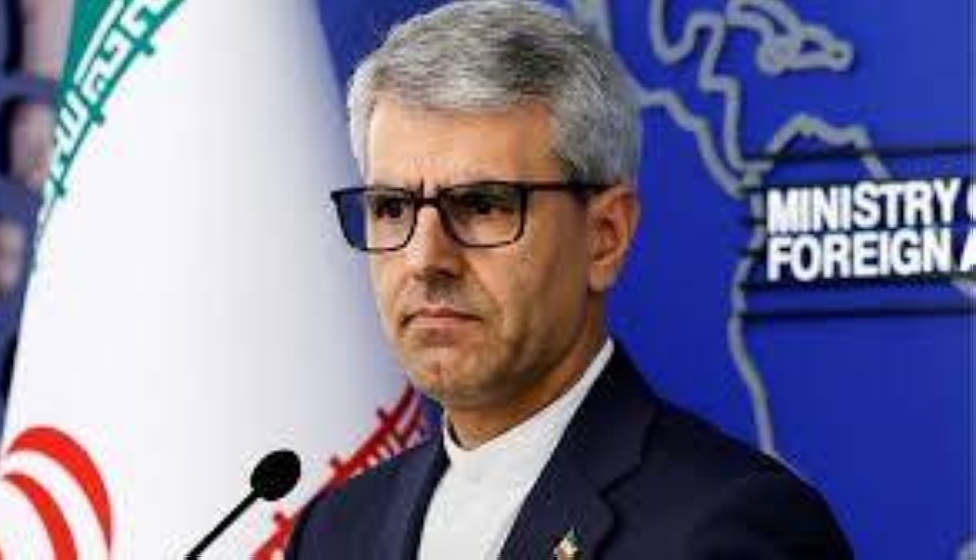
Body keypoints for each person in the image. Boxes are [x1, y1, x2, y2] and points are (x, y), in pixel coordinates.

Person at [287, 1, 851, 558]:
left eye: (482, 206)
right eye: (391, 208)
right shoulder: (333, 532)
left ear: (605, 236)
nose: (424, 258)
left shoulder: (731, 529)